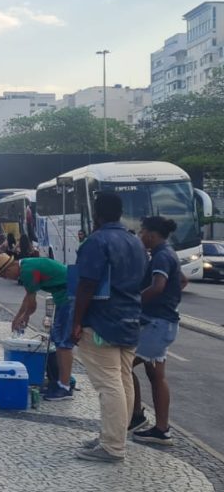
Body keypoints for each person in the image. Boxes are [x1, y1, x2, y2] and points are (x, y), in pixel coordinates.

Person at [72, 192, 148, 463]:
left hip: (102, 322)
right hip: (130, 321)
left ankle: (112, 446)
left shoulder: (97, 241)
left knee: (109, 385)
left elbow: (87, 284)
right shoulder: (135, 241)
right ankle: (114, 436)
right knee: (123, 379)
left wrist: (77, 320)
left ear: (97, 214)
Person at [130, 216, 183, 445]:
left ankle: (136, 416)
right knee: (156, 375)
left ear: (151, 234)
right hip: (164, 322)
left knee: (121, 366)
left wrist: (134, 302)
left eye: (142, 232)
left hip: (157, 324)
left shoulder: (161, 255)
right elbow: (182, 281)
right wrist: (170, 300)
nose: (140, 236)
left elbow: (158, 286)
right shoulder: (169, 253)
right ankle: (161, 428)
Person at [0, 253, 75, 401]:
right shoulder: (26, 266)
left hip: (69, 297)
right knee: (58, 340)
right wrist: (18, 317)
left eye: (5, 274)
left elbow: (32, 304)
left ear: (11, 266)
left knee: (63, 343)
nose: (8, 278)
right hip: (65, 296)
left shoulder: (27, 271)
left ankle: (65, 387)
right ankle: (61, 381)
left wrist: (24, 317)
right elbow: (28, 297)